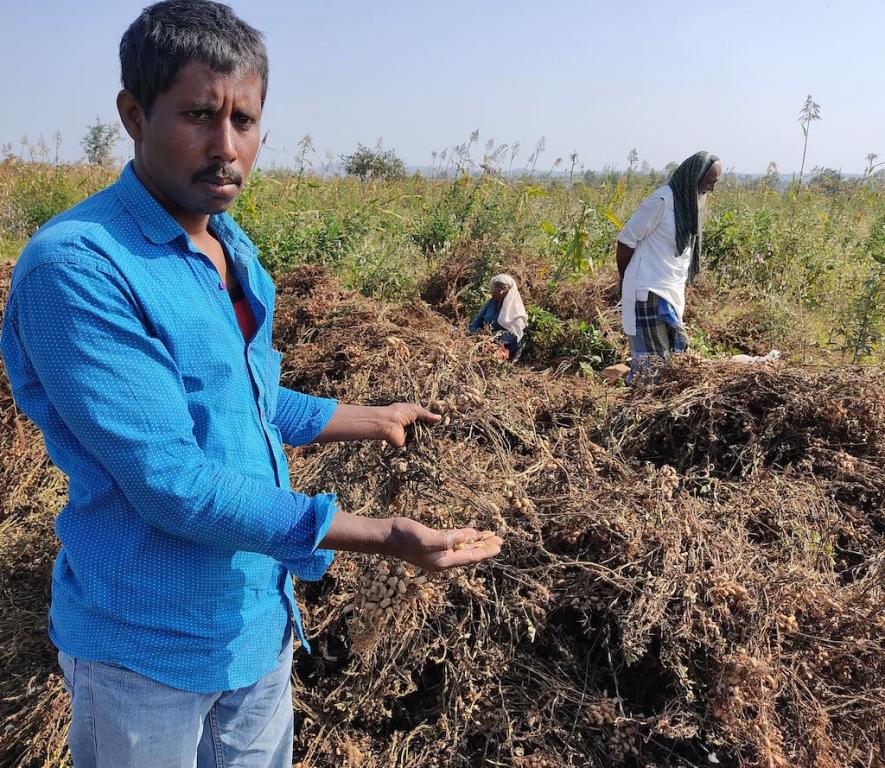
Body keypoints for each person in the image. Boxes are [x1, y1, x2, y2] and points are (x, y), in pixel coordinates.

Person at [0, 3, 502, 766]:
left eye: (245, 119)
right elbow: (169, 480)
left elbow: (243, 400)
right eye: (199, 115)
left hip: (256, 626)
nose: (226, 147)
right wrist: (383, 537)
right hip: (146, 649)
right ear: (134, 114)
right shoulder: (80, 267)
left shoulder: (228, 247)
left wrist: (368, 417)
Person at [616, 151, 722, 380]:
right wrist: (625, 279)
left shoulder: (688, 206)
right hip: (648, 291)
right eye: (707, 183)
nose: (710, 189)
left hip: (670, 293)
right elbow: (626, 240)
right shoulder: (662, 201)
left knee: (670, 362)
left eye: (714, 184)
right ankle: (638, 412)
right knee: (652, 370)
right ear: (694, 176)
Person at [469, 274, 529, 361]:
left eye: (502, 288)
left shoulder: (516, 310)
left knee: (493, 357)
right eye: (496, 288)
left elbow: (515, 335)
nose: (499, 291)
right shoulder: (490, 303)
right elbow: (475, 324)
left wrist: (493, 338)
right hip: (483, 341)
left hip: (505, 347)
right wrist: (477, 332)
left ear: (508, 292)